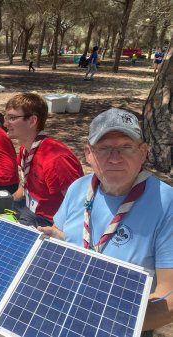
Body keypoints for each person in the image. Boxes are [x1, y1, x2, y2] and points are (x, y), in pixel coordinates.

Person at [39, 108, 173, 334]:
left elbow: (169, 297)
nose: (114, 157)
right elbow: (65, 233)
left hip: (119, 325)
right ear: (89, 154)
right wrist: (52, 238)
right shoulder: (79, 187)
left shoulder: (166, 203)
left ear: (143, 152)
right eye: (104, 148)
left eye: (125, 147)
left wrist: (106, 324)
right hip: (64, 306)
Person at [4, 93, 84, 227]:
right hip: (30, 209)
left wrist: (58, 232)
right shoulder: (26, 150)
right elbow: (21, 190)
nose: (5, 123)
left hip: (50, 222)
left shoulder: (55, 159)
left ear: (32, 121)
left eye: (12, 118)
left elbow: (79, 205)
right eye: (5, 117)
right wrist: (2, 201)